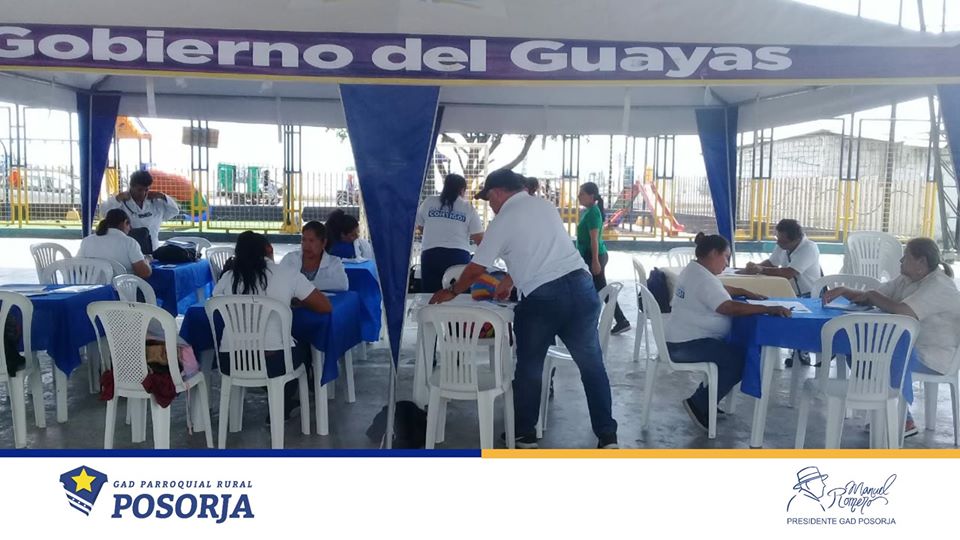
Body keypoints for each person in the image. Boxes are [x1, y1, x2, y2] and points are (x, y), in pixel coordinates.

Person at [429, 168, 619, 449]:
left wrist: (452, 291)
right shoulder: (545, 206)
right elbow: (541, 250)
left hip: (544, 299)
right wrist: (510, 279)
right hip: (582, 289)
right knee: (592, 366)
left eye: (489, 200)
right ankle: (607, 436)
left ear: (497, 192)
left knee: (530, 367)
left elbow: (476, 268)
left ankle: (524, 434)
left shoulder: (503, 219)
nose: (490, 206)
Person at [823, 237, 960, 438]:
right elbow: (873, 295)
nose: (901, 261)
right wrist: (846, 291)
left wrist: (872, 295)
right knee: (857, 354)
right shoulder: (907, 279)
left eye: (906, 257)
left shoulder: (939, 285)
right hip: (905, 348)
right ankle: (886, 412)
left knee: (872, 358)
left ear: (921, 262)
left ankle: (903, 420)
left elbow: (903, 311)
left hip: (931, 356)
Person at [667, 233, 791, 432]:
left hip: (681, 339)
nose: (726, 263)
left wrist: (744, 291)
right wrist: (768, 309)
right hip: (687, 345)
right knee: (739, 361)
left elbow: (719, 289)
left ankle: (706, 400)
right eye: (725, 257)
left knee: (731, 354)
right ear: (713, 253)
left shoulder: (694, 270)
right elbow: (727, 307)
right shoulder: (703, 279)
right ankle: (698, 403)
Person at [213, 231, 332, 420]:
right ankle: (282, 403)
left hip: (231, 360)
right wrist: (296, 301)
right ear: (269, 249)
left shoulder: (228, 277)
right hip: (274, 362)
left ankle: (276, 398)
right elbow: (324, 306)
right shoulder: (287, 274)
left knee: (281, 349)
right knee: (303, 347)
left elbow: (216, 304)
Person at [740, 218, 821, 367]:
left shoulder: (809, 248)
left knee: (795, 323)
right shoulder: (782, 245)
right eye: (777, 238)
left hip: (808, 295)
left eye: (783, 241)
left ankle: (801, 350)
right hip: (787, 292)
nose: (778, 243)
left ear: (796, 239)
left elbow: (788, 273)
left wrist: (761, 270)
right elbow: (772, 263)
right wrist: (754, 267)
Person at [415, 173, 484, 293]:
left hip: (431, 255)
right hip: (458, 256)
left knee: (430, 295)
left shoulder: (429, 202)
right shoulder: (468, 208)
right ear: (462, 190)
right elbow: (479, 239)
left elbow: (419, 226)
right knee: (458, 295)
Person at [577, 182, 630, 335]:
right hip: (590, 255)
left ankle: (619, 320)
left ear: (591, 196)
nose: (579, 196)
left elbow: (594, 239)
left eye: (582, 194)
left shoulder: (593, 213)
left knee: (598, 290)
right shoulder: (588, 211)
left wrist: (595, 261)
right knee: (599, 289)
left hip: (595, 256)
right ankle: (620, 320)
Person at [100, 170, 180, 251]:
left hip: (153, 248)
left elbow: (174, 211)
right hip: (127, 249)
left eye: (146, 190)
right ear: (131, 186)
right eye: (139, 190)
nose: (143, 193)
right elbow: (104, 213)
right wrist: (117, 199)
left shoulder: (156, 202)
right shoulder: (120, 203)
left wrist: (162, 196)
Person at [77, 208, 152, 279]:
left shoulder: (87, 241)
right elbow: (144, 273)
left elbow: (77, 266)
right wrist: (147, 260)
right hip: (122, 287)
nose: (130, 229)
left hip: (93, 287)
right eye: (129, 225)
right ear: (125, 222)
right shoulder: (129, 242)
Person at [280, 221, 349, 291]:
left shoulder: (334, 262)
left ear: (324, 243)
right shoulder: (290, 259)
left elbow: (343, 284)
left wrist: (304, 286)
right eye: (304, 240)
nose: (306, 245)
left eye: (311, 241)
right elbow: (278, 280)